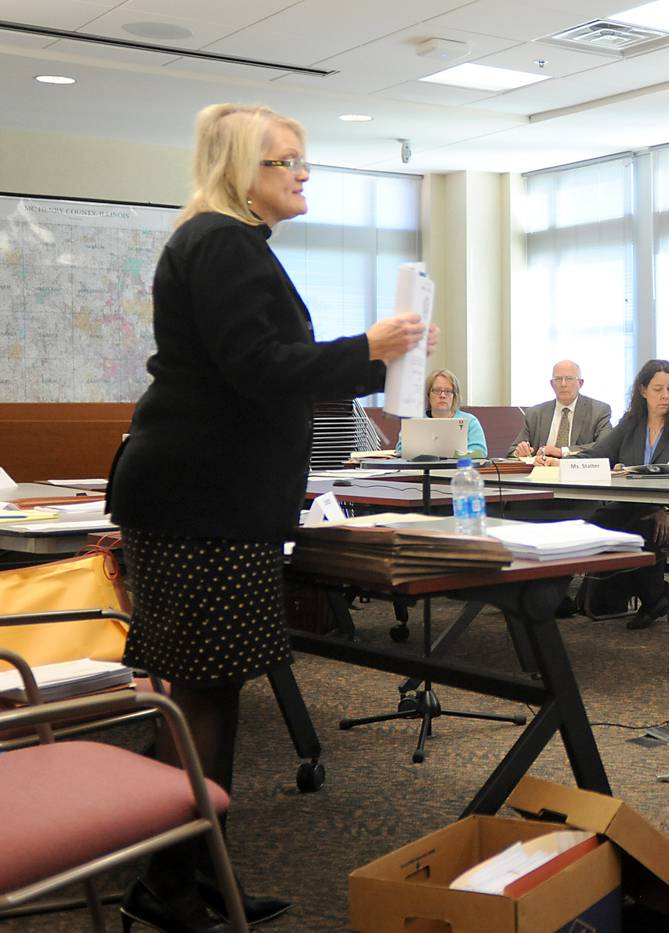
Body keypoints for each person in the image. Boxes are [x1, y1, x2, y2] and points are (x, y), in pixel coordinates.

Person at [107, 103, 435, 932]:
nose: (301, 173)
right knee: (207, 693)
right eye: (284, 160)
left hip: (206, 499)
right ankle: (172, 884)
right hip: (200, 503)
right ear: (239, 171)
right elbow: (257, 368)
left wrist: (365, 354)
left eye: (302, 160)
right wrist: (368, 349)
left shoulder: (228, 241)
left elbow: (253, 365)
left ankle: (191, 872)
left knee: (207, 688)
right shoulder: (221, 241)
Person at [540, 359, 669, 630]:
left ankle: (653, 597)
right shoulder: (631, 423)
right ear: (643, 390)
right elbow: (597, 454)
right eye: (658, 389)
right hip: (636, 506)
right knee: (597, 522)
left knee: (643, 525)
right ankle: (557, 596)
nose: (665, 396)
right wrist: (559, 463)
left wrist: (668, 510)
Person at [510, 360, 613, 458]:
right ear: (552, 384)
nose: (563, 384)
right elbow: (512, 451)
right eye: (558, 379)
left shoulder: (599, 411)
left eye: (569, 379)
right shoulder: (535, 413)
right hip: (542, 471)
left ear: (580, 383)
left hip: (578, 472)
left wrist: (561, 452)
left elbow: (605, 445)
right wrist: (519, 452)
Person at [395, 368, 487, 458]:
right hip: (420, 471)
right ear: (428, 395)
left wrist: (445, 455)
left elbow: (480, 452)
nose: (442, 395)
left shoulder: (470, 421)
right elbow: (400, 450)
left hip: (458, 470)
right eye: (437, 390)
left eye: (447, 391)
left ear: (454, 396)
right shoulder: (413, 421)